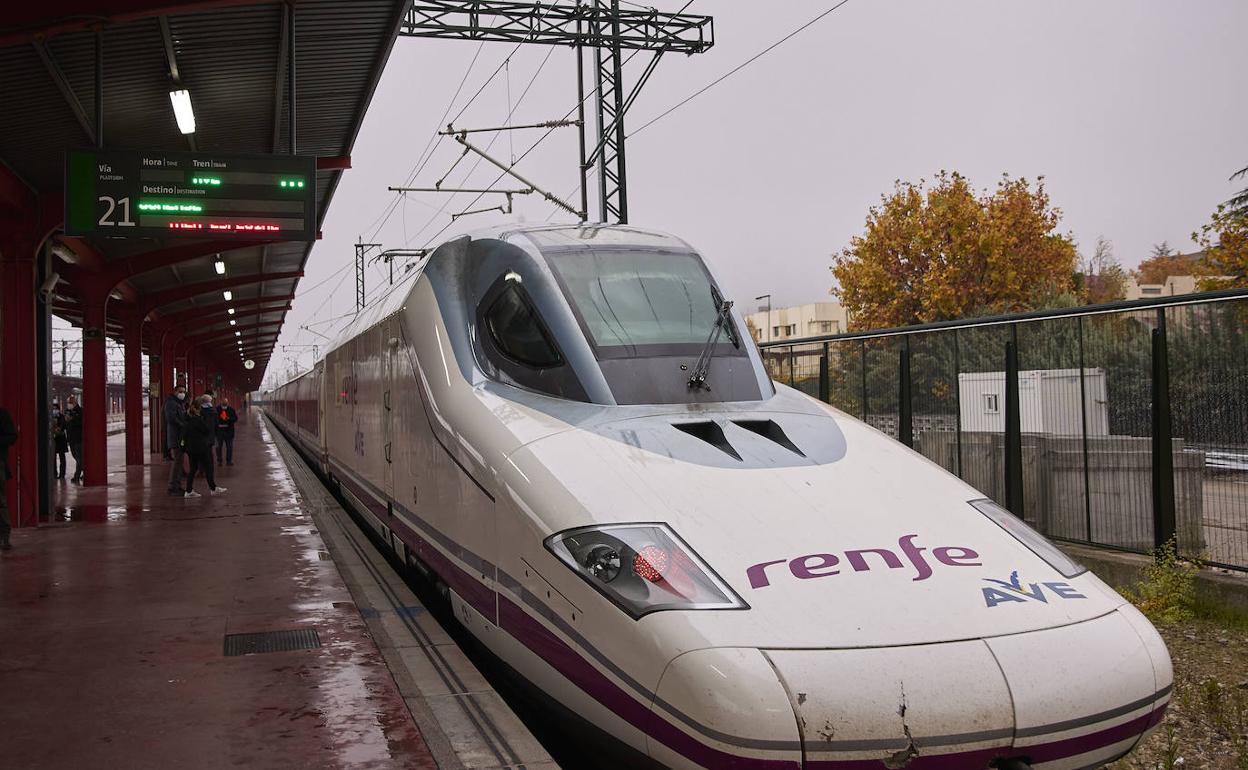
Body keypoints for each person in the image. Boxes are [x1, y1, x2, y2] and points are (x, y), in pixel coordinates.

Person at [183, 396, 226, 498]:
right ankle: (213, 489)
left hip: (191, 447)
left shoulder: (187, 417)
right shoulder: (197, 419)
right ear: (198, 408)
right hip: (201, 447)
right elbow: (206, 430)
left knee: (193, 469)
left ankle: (188, 490)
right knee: (209, 467)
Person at [164, 384, 189, 496]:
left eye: (184, 391)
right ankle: (173, 487)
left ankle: (177, 486)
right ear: (175, 392)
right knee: (177, 462)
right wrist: (183, 424)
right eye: (180, 391)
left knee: (179, 462)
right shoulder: (171, 403)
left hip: (179, 436)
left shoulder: (179, 403)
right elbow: (171, 418)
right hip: (175, 436)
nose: (182, 394)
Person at [63, 394, 83, 483]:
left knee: (79, 458)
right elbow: (65, 424)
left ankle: (77, 476)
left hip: (78, 438)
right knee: (75, 456)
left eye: (70, 403)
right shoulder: (67, 411)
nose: (68, 404)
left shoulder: (80, 411)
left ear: (74, 402)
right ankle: (85, 472)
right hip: (71, 438)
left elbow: (80, 423)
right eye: (68, 403)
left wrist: (72, 419)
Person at [214, 397, 238, 466]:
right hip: (219, 431)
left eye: (226, 402)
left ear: (227, 403)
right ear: (221, 402)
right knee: (218, 447)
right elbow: (214, 419)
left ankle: (229, 461)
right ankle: (219, 460)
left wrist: (228, 418)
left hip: (229, 431)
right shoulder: (217, 409)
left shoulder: (231, 410)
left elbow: (235, 418)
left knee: (229, 447)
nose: (225, 403)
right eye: (224, 402)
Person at [50, 398, 68, 480]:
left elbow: (64, 426)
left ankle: (62, 474)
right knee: (53, 458)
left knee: (62, 457)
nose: (54, 410)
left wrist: (58, 429)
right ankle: (54, 473)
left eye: (55, 408)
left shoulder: (62, 417)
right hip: (53, 440)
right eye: (53, 409)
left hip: (60, 439)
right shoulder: (50, 418)